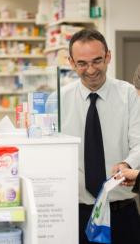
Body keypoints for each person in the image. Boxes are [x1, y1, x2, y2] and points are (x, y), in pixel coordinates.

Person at [60, 29, 140, 244]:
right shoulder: (58, 100)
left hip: (121, 213)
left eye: (97, 61)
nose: (91, 70)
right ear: (71, 62)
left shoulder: (130, 94)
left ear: (108, 57)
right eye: (82, 63)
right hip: (76, 214)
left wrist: (127, 163)